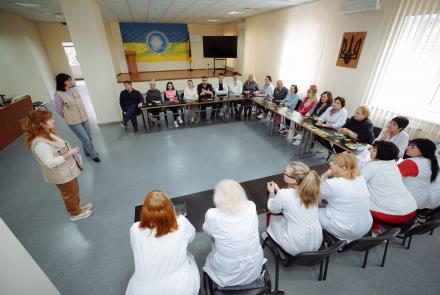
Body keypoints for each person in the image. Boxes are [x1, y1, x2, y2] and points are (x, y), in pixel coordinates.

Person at [22, 110, 93, 222]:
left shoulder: (47, 133)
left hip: (67, 170)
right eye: (49, 120)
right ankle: (75, 213)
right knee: (69, 193)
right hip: (61, 174)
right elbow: (50, 163)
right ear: (41, 124)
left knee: (74, 190)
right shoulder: (40, 143)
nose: (53, 121)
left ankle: (77, 206)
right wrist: (68, 154)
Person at [126, 191, 200, 295]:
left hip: (142, 291)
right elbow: (192, 237)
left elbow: (135, 249)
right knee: (188, 255)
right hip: (181, 288)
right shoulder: (181, 222)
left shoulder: (134, 229)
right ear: (170, 209)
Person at [203, 179, 265, 287]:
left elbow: (207, 230)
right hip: (253, 268)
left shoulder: (212, 214)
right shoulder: (251, 206)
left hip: (227, 269)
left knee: (213, 240)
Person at [263, 162, 323, 256]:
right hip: (316, 242)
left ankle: (268, 235)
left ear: (294, 181)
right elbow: (291, 199)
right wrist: (279, 191)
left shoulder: (284, 194)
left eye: (285, 172)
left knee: (274, 219)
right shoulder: (313, 190)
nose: (283, 173)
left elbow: (273, 209)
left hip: (297, 247)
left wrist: (271, 193)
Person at [362, 141, 417, 233]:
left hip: (396, 215)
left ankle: (373, 230)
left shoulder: (374, 166)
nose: (370, 151)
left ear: (382, 154)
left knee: (359, 201)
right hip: (411, 211)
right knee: (375, 194)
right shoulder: (392, 163)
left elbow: (356, 182)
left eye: (374, 150)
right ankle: (375, 228)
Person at [319, 153, 372, 242]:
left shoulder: (332, 184)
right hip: (365, 226)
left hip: (345, 230)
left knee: (310, 209)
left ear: (344, 168)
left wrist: (325, 175)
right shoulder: (360, 177)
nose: (330, 164)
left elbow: (313, 196)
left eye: (334, 163)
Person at [54, 73, 100, 162]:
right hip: (73, 121)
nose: (70, 81)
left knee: (88, 137)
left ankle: (87, 151)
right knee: (85, 137)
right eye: (68, 80)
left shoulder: (74, 90)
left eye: (70, 79)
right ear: (62, 82)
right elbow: (59, 111)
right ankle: (93, 154)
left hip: (84, 117)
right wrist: (68, 116)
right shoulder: (58, 95)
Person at [398, 138, 439, 209]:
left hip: (406, 202)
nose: (407, 147)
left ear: (423, 151)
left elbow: (387, 177)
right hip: (420, 201)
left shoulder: (411, 163)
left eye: (412, 147)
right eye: (409, 145)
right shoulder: (431, 162)